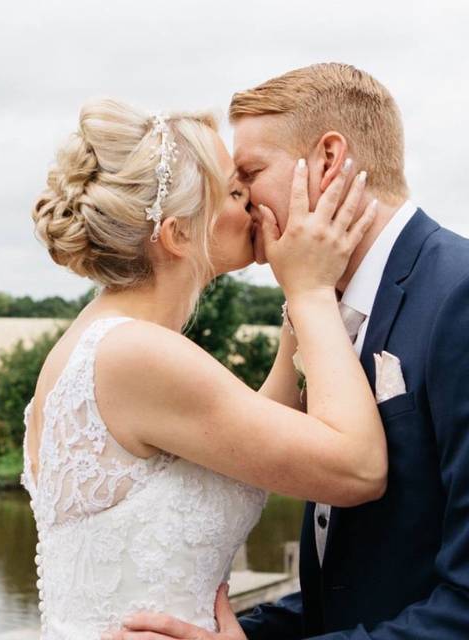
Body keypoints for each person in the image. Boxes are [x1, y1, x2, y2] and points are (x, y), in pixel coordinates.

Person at [111, 64, 469, 640]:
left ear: (328, 160)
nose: (239, 200)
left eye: (250, 172)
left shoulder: (458, 295)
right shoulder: (322, 312)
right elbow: (352, 587)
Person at [23, 98, 386, 639]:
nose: (257, 205)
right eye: (236, 193)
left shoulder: (104, 340)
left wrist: (297, 292)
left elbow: (251, 433)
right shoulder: (135, 354)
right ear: (177, 235)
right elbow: (358, 468)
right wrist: (310, 291)